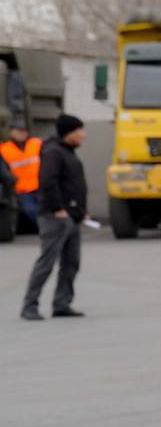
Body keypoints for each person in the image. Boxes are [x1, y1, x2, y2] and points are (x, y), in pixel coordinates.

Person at [20, 115, 89, 322]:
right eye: (80, 131)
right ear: (70, 132)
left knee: (71, 263)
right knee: (46, 263)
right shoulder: (53, 152)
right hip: (55, 218)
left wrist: (81, 212)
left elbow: (72, 186)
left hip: (72, 218)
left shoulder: (68, 152)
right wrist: (59, 209)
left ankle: (62, 303)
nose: (83, 135)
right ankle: (29, 306)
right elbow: (48, 182)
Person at [4, 117, 40, 234]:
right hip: (22, 189)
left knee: (45, 210)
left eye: (24, 131)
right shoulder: (4, 149)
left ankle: (48, 229)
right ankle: (45, 229)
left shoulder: (36, 144)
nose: (22, 133)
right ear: (11, 132)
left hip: (40, 185)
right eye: (19, 131)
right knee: (30, 210)